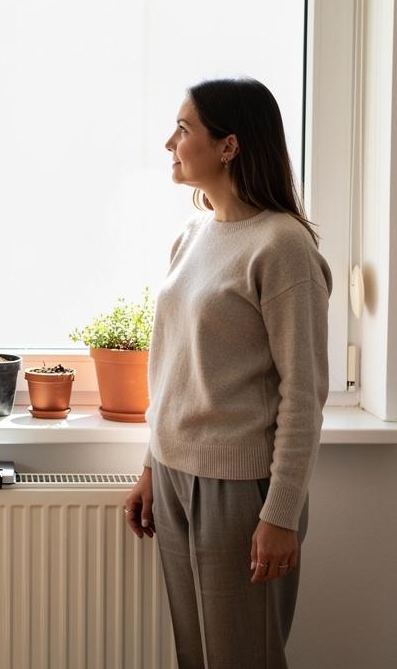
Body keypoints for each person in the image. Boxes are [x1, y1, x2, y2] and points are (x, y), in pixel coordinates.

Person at [123, 77, 331, 668]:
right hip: (173, 475)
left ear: (229, 146)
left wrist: (280, 515)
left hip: (240, 491)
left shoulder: (282, 246)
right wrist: (149, 465)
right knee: (197, 657)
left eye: (184, 129)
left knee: (244, 659)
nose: (170, 142)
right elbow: (174, 365)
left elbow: (304, 393)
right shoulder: (191, 237)